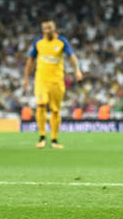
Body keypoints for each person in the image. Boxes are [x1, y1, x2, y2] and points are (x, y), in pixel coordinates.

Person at [22, 20, 83, 149]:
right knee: (41, 104)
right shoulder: (38, 42)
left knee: (55, 110)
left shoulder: (61, 42)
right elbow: (30, 60)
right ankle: (42, 136)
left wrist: (77, 69)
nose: (47, 29)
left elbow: (71, 56)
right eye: (44, 28)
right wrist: (26, 78)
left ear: (54, 28)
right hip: (41, 80)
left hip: (57, 81)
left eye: (49, 27)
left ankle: (54, 139)